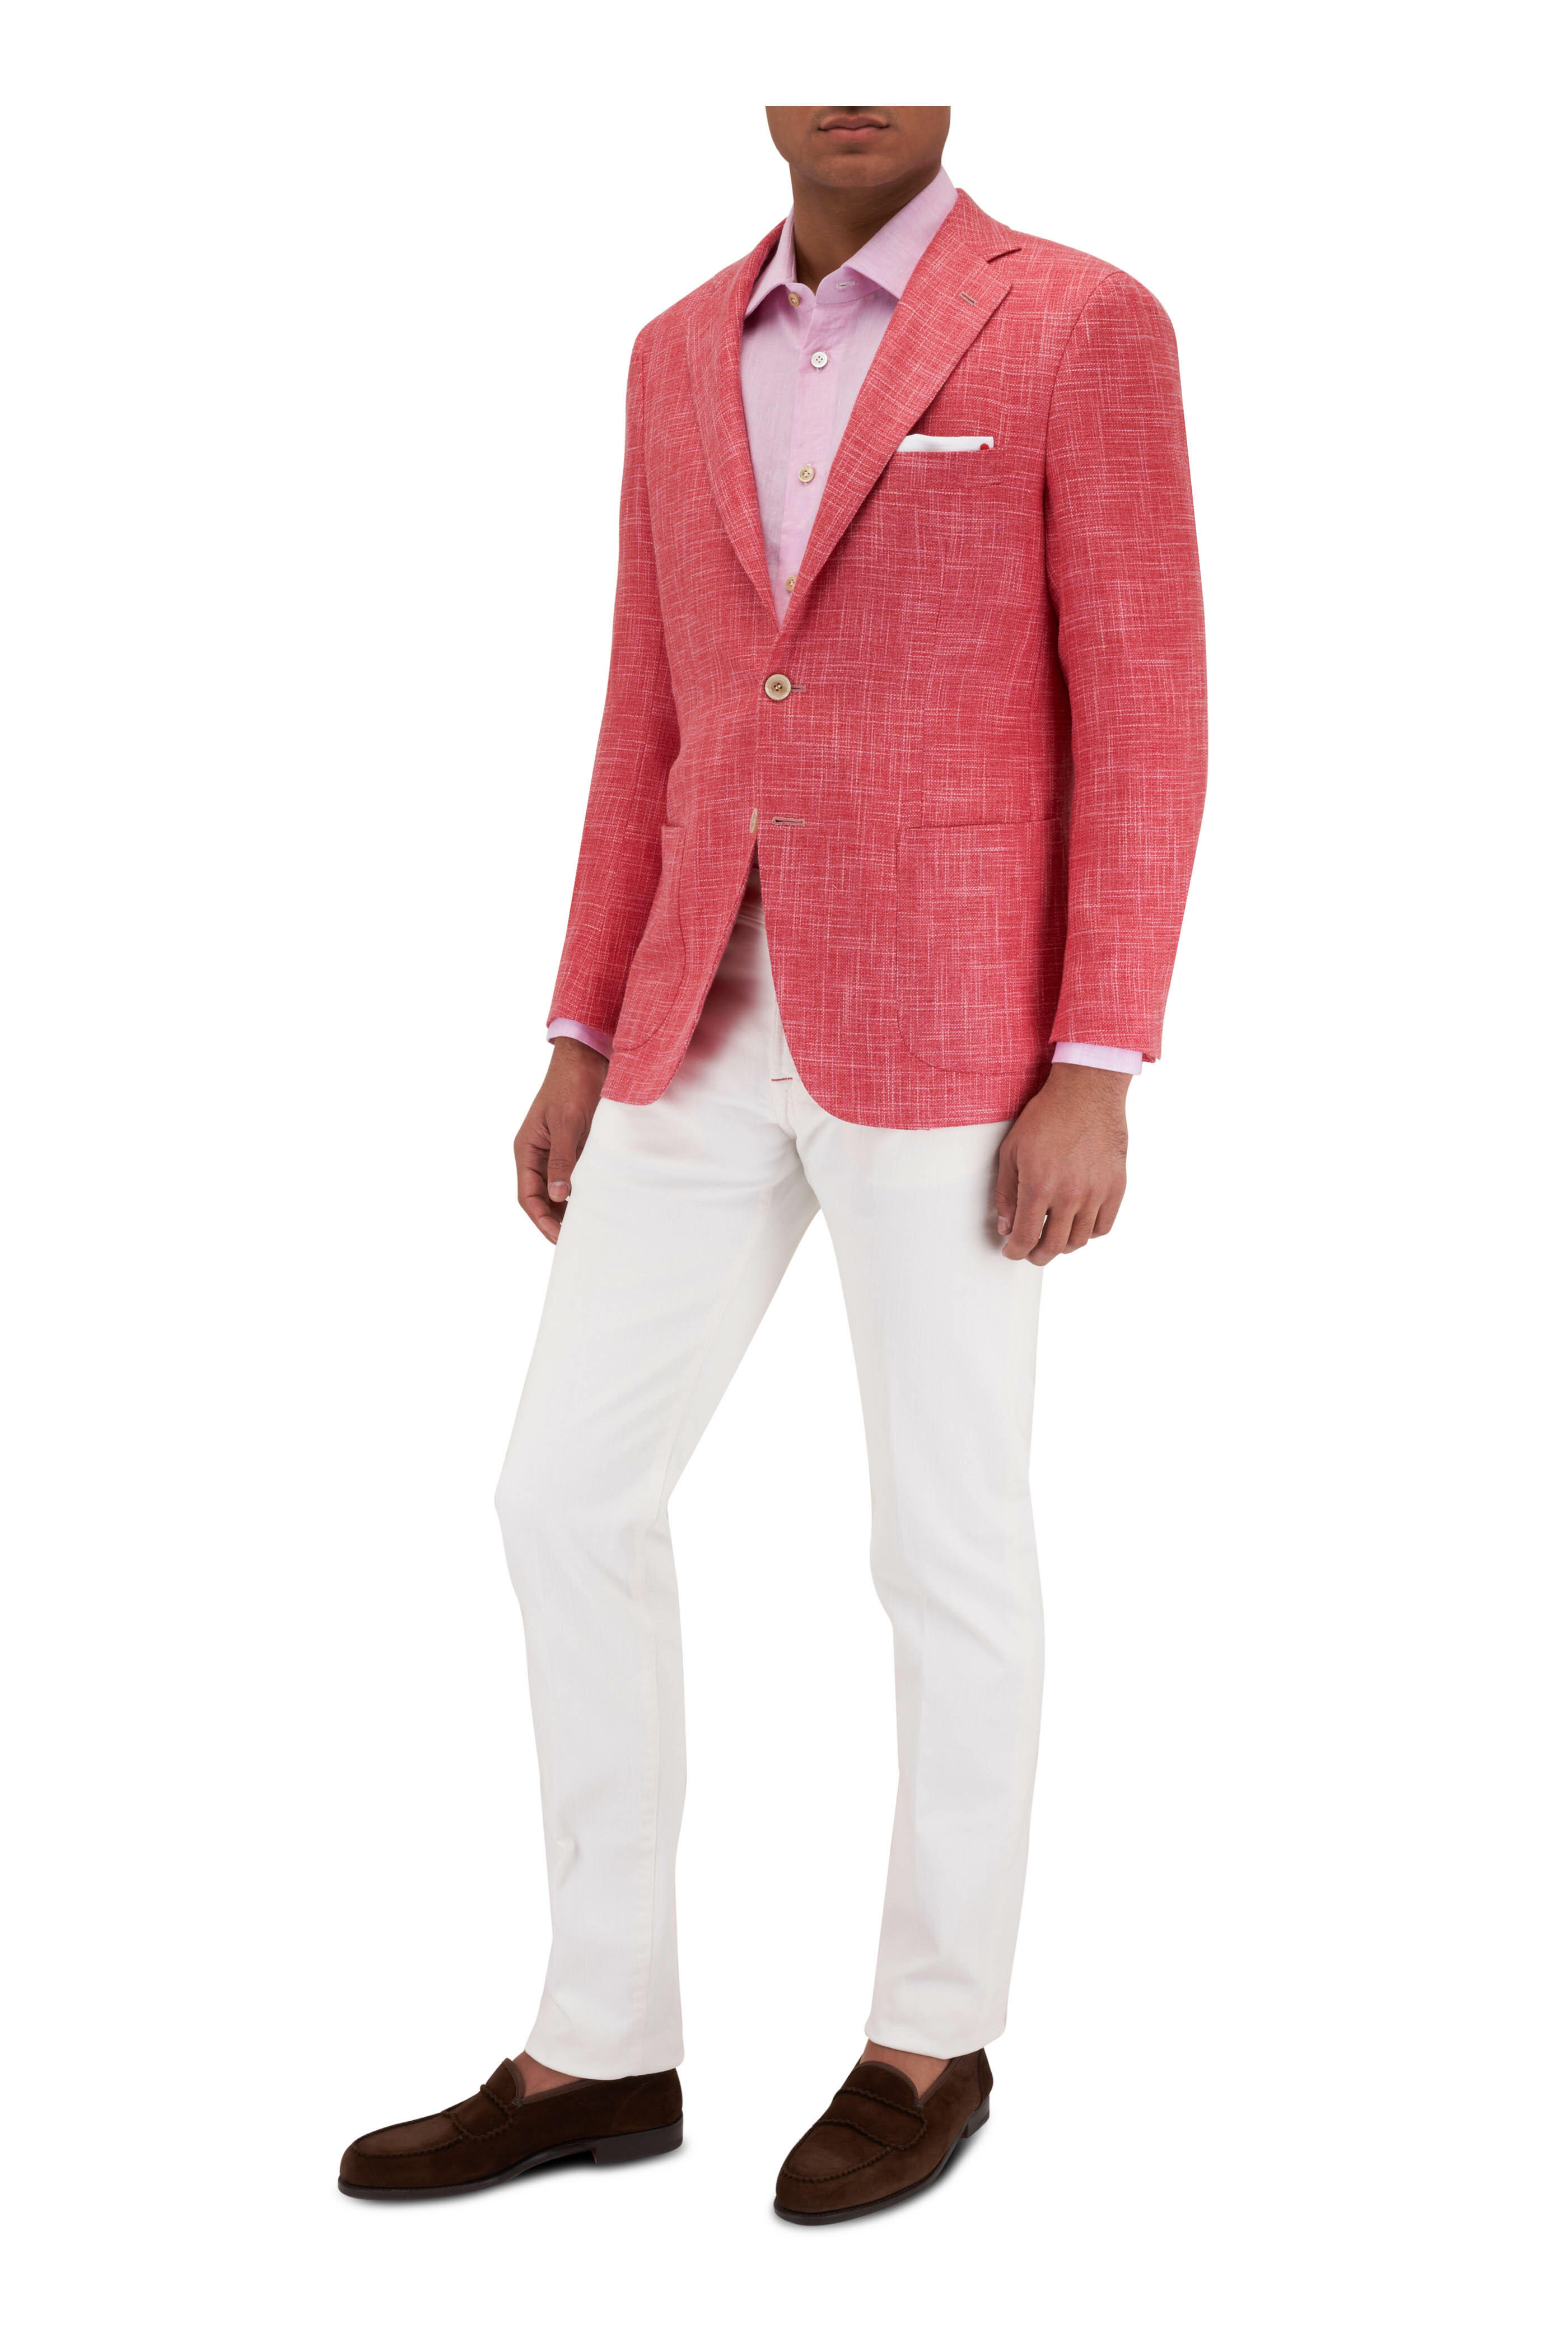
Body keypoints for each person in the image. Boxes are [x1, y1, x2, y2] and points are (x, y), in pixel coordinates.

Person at [339, 103, 1206, 2224]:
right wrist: (576, 1031)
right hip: (694, 1015)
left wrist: (1097, 1059)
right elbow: (644, 713)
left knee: (945, 1540)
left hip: (962, 1028)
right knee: (562, 1493)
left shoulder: (1078, 322)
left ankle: (933, 2034)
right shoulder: (670, 350)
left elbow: (1149, 704)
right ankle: (601, 2042)